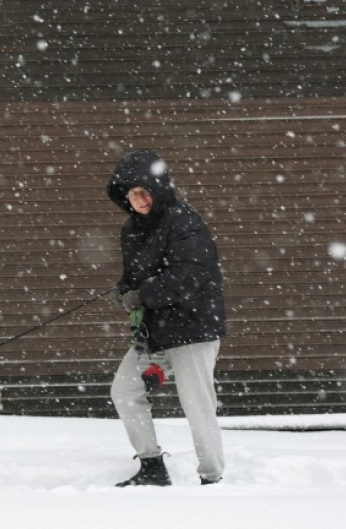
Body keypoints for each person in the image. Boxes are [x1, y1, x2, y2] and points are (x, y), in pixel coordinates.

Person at [105, 149, 226, 487]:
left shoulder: (184, 221)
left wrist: (141, 294)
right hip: (155, 331)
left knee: (197, 405)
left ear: (157, 189)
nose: (138, 200)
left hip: (194, 328)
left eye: (143, 192)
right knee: (125, 391)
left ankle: (212, 477)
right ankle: (152, 466)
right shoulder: (131, 229)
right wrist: (123, 289)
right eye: (131, 194)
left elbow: (189, 276)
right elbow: (136, 276)